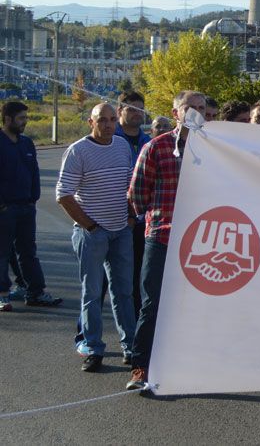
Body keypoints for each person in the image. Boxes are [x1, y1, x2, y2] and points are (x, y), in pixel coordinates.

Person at [125, 90, 206, 391]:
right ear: (176, 114)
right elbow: (137, 194)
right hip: (162, 237)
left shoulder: (216, 150)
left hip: (200, 244)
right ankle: (140, 367)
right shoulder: (157, 147)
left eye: (202, 108)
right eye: (190, 108)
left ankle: (185, 366)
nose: (197, 113)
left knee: (194, 307)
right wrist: (155, 217)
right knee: (152, 305)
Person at [57, 103, 136, 372]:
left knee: (124, 292)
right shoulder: (78, 151)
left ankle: (131, 346)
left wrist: (130, 217)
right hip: (92, 234)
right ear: (91, 122)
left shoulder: (122, 146)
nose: (108, 125)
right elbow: (63, 194)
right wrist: (90, 226)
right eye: (102, 120)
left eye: (113, 119)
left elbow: (128, 184)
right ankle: (92, 346)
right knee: (92, 292)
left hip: (120, 231)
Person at [0, 101, 61, 311]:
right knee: (2, 252)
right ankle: (2, 294)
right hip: (5, 209)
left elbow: (34, 172)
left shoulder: (26, 143)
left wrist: (33, 198)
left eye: (26, 118)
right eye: (21, 118)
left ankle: (35, 291)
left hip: (26, 207)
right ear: (7, 119)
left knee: (28, 251)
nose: (25, 122)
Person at [117, 92, 150, 316]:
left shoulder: (149, 142)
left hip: (141, 222)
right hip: (113, 221)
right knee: (100, 284)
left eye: (141, 108)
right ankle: (87, 336)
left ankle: (135, 332)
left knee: (139, 277)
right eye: (131, 108)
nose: (137, 113)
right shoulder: (108, 138)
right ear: (120, 111)